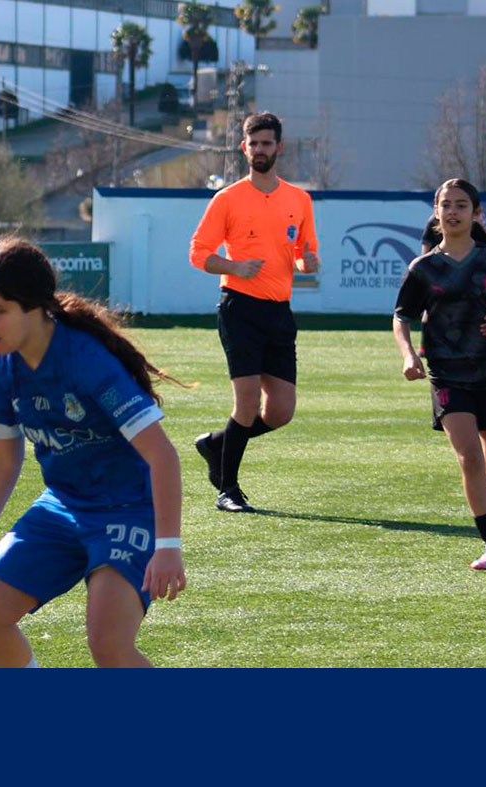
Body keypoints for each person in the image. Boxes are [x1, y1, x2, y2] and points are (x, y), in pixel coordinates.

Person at [0, 237, 187, 668]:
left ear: (34, 307)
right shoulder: (1, 365)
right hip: (63, 507)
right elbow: (5, 458)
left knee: (109, 645)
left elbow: (162, 456)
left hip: (126, 511)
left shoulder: (86, 360)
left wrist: (168, 547)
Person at [393, 179, 486, 571]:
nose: (453, 212)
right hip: (447, 372)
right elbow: (401, 317)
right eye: (446, 205)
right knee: (469, 457)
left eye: (461, 205)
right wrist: (407, 356)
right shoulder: (424, 268)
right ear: (436, 212)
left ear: (476, 212)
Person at [188, 112, 319, 513]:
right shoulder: (226, 199)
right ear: (243, 148)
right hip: (239, 308)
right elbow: (199, 254)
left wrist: (307, 263)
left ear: (279, 147)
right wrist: (233, 267)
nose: (259, 150)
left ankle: (216, 445)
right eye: (253, 143)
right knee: (245, 404)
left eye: (267, 143)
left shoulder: (299, 199)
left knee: (280, 412)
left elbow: (304, 253)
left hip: (279, 312)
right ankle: (228, 489)